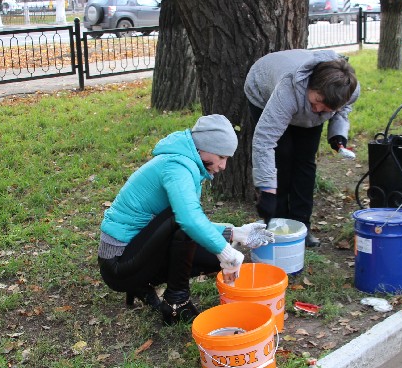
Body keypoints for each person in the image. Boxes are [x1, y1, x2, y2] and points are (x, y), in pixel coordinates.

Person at [98, 114, 274, 324]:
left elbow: (185, 222)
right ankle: (176, 303)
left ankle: (142, 286)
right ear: (205, 149)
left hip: (136, 250)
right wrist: (226, 251)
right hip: (118, 263)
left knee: (208, 257)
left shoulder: (185, 162)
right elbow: (187, 220)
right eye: (222, 156)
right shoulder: (177, 167)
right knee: (184, 224)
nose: (223, 166)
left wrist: (235, 232)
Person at [245, 49, 360, 248]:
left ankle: (300, 226)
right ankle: (276, 224)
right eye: (317, 102)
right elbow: (265, 141)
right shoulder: (288, 89)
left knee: (305, 161)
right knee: (282, 155)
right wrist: (267, 191)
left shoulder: (349, 90)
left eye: (326, 109)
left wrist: (337, 134)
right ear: (311, 86)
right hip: (264, 92)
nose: (318, 111)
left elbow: (340, 110)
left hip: (301, 104)